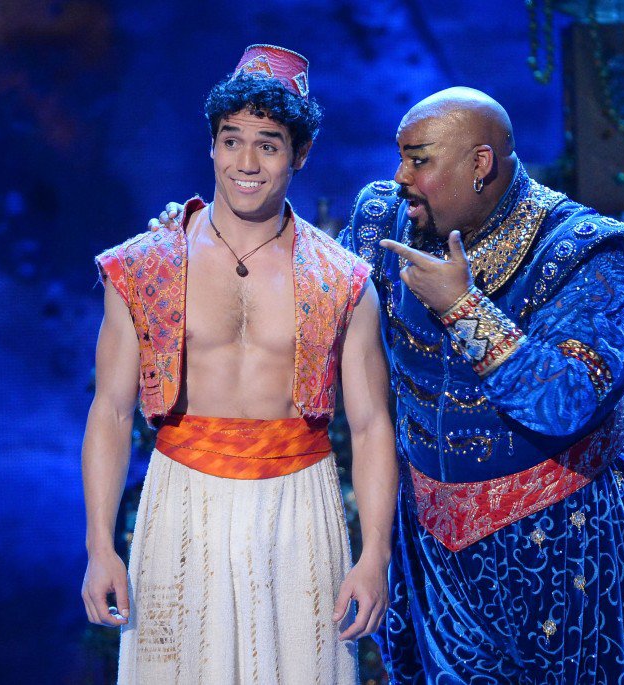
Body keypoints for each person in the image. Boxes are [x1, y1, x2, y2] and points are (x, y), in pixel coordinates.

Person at [156, 87, 624, 682]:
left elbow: (566, 402)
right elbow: (312, 297)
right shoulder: (384, 218)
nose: (400, 175)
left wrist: (462, 304)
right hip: (437, 548)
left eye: (420, 159)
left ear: (480, 165)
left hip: (570, 543)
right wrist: (201, 239)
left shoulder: (586, 252)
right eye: (400, 156)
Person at [81, 44, 397, 684]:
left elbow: (370, 428)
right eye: (232, 141)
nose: (245, 163)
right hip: (179, 506)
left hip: (300, 514)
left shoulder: (343, 281)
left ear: (299, 154)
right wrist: (98, 545)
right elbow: (111, 412)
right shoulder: (144, 266)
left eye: (268, 145)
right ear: (212, 146)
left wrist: (374, 556)